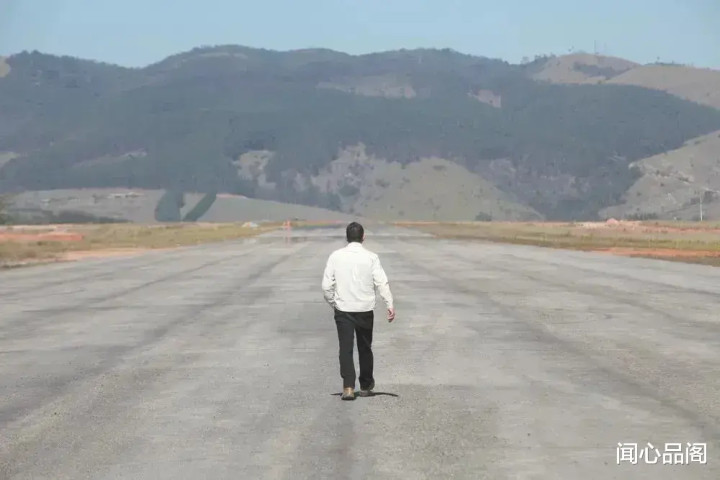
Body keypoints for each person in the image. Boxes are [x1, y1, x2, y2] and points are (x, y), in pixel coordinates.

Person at [321, 222, 395, 401]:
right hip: (365, 309)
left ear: (347, 237)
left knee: (345, 348)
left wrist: (334, 303)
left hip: (343, 309)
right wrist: (389, 303)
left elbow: (326, 286)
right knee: (365, 347)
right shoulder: (371, 257)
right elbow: (381, 282)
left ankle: (348, 386)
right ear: (363, 237)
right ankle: (365, 386)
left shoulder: (335, 256)